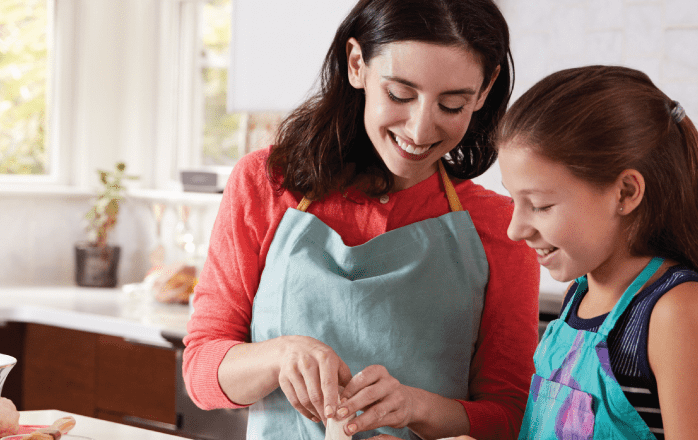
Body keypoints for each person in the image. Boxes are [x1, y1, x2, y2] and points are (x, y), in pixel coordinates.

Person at [180, 0, 538, 439]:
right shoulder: (265, 183)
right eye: (400, 94)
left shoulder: (503, 226)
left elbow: (511, 417)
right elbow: (200, 373)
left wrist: (416, 406)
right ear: (356, 65)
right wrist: (280, 355)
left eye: (451, 105)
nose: (421, 130)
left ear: (484, 92)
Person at [495, 65, 698, 439]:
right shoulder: (576, 300)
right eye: (514, 199)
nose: (515, 229)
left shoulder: (680, 315)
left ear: (625, 193)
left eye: (541, 205)